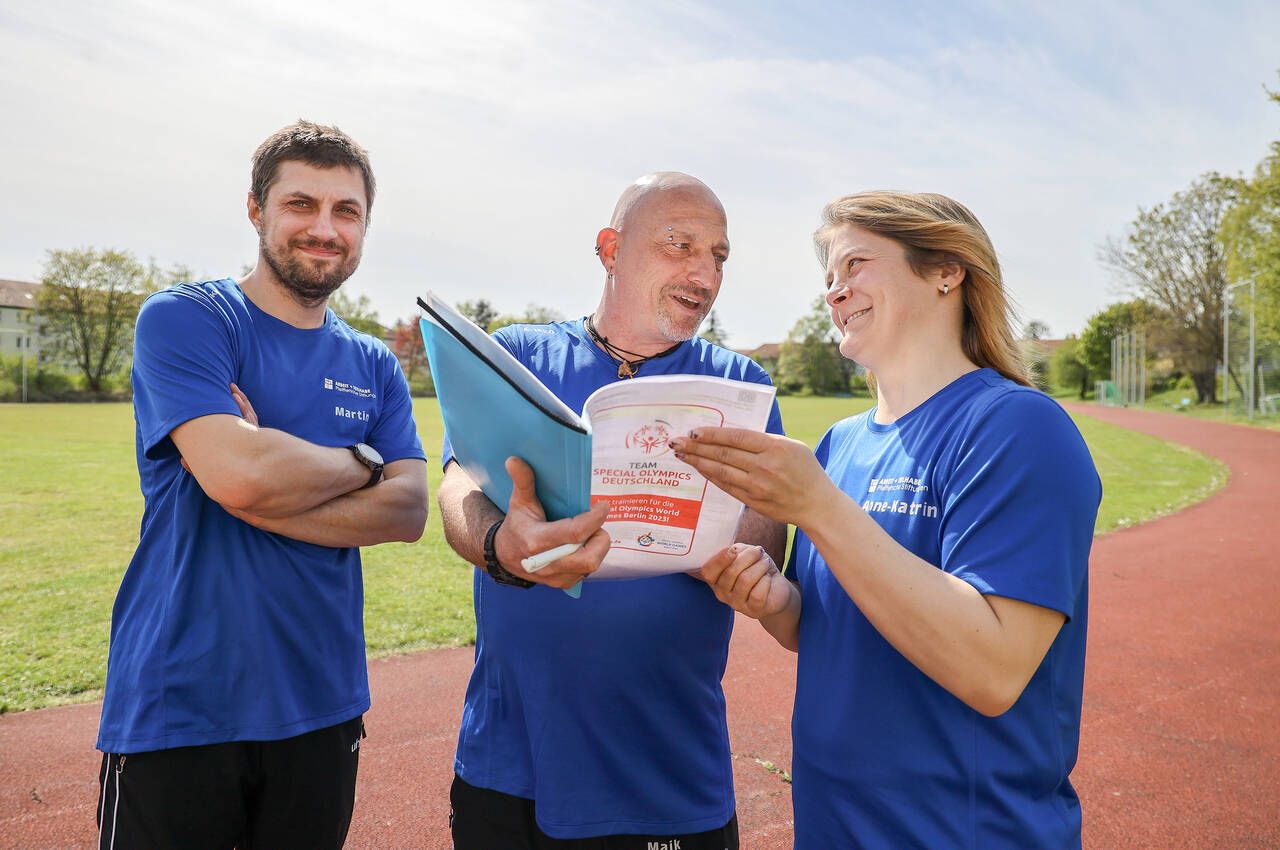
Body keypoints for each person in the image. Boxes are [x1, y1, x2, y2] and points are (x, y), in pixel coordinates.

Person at [672, 191, 1102, 849]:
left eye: (855, 265)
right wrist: (773, 597)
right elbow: (824, 629)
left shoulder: (1017, 427)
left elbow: (993, 670)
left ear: (945, 271)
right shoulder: (840, 445)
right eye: (829, 278)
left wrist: (818, 507)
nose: (835, 292)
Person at [94, 120, 430, 850]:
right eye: (300, 204)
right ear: (256, 209)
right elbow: (240, 475)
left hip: (321, 704)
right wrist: (362, 459)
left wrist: (262, 479)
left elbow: (409, 511)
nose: (324, 228)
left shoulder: (374, 362)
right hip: (178, 703)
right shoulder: (189, 318)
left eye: (347, 211)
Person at [436, 172, 787, 849]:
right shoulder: (518, 355)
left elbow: (763, 536)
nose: (704, 274)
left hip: (668, 770)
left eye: (718, 255)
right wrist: (498, 545)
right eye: (679, 245)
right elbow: (457, 488)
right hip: (509, 764)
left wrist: (719, 546)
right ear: (610, 249)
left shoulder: (741, 384)